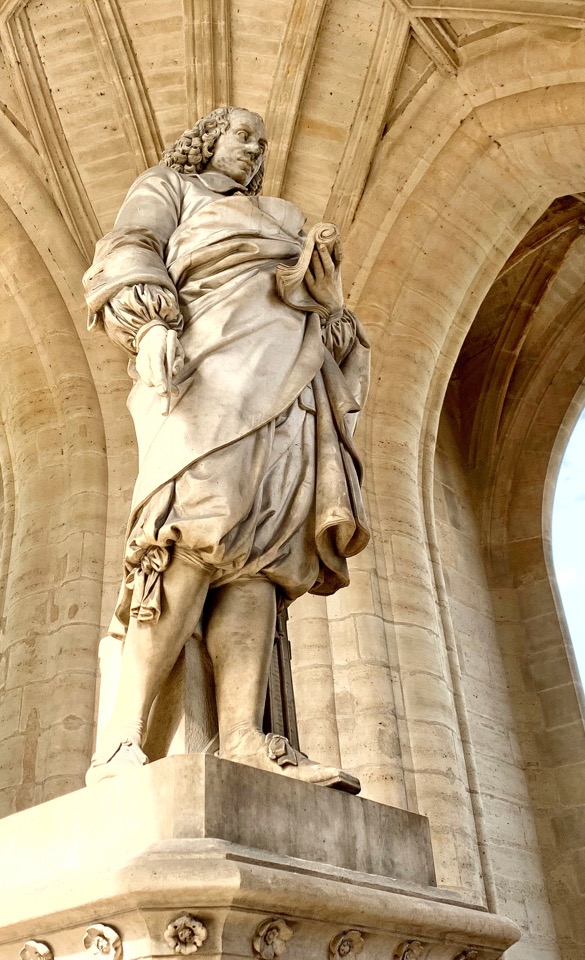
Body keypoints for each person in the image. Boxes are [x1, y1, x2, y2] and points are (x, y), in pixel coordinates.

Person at [82, 106, 370, 791]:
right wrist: (149, 325)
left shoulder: (281, 215)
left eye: (262, 142)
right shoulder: (169, 187)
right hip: (206, 370)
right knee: (187, 536)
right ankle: (121, 741)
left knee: (262, 557)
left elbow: (330, 318)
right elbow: (129, 248)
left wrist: (328, 306)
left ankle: (244, 735)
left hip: (289, 381)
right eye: (243, 135)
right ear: (208, 140)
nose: (254, 149)